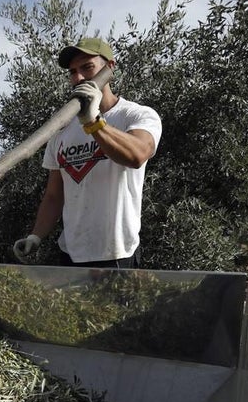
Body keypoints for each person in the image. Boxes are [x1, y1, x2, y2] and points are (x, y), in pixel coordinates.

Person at [13, 37, 162, 268]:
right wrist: (36, 236)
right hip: (71, 254)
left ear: (110, 67)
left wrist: (93, 122)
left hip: (116, 254)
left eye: (87, 67)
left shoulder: (136, 115)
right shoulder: (61, 131)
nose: (79, 78)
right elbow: (54, 195)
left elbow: (137, 155)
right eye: (73, 72)